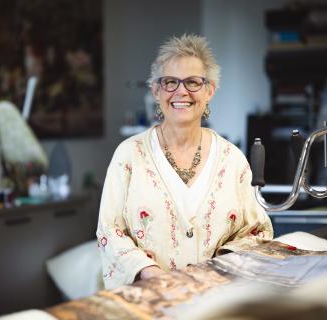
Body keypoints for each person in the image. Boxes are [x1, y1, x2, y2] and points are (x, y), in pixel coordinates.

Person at [96, 34, 273, 290]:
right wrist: (149, 272)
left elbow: (258, 232)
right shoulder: (129, 155)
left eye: (193, 82)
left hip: (216, 300)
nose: (181, 91)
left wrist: (218, 268)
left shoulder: (232, 159)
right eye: (170, 82)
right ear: (156, 91)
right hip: (149, 302)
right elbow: (109, 232)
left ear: (210, 90)